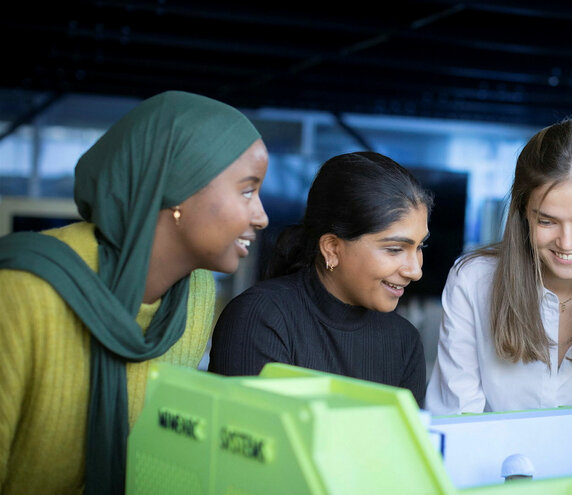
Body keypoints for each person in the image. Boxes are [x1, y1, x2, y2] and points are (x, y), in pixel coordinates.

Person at [0, 91, 269, 494]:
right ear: (177, 187)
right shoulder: (21, 291)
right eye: (247, 191)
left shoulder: (193, 294)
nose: (262, 216)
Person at [425, 116, 572, 414]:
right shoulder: (472, 281)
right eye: (547, 221)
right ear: (524, 214)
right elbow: (455, 419)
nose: (567, 243)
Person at [209, 152, 432, 407]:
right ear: (332, 248)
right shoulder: (259, 318)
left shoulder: (404, 341)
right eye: (394, 249)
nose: (415, 271)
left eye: (420, 247)